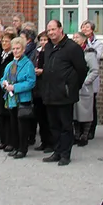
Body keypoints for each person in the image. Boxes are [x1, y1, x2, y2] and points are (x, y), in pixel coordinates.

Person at [40, 20, 87, 166]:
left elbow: (82, 70)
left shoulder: (72, 48)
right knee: (53, 125)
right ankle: (57, 151)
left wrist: (72, 87)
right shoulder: (48, 47)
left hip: (65, 94)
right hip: (50, 93)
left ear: (61, 29)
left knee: (65, 126)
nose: (51, 33)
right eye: (49, 30)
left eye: (54, 29)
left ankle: (65, 155)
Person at [0, 37, 37, 158]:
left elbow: (31, 82)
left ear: (23, 49)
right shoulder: (10, 64)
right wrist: (4, 84)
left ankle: (23, 148)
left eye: (18, 48)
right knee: (13, 124)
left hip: (23, 99)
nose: (15, 51)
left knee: (22, 126)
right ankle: (15, 146)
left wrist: (15, 87)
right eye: (14, 48)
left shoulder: (28, 64)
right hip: (11, 100)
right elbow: (2, 78)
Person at [72, 31, 99, 147]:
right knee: (75, 112)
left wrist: (85, 81)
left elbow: (94, 70)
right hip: (74, 85)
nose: (74, 39)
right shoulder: (72, 52)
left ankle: (85, 135)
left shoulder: (89, 53)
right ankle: (76, 135)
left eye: (77, 37)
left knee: (85, 112)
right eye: (73, 38)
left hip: (85, 87)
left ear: (83, 40)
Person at [80, 20, 103, 140]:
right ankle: (81, 131)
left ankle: (91, 130)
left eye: (87, 27)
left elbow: (96, 56)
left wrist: (88, 45)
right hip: (81, 80)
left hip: (91, 79)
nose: (85, 29)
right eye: (83, 27)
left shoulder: (96, 43)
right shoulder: (80, 43)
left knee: (91, 105)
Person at [0, 32, 14, 151]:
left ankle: (11, 141)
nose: (4, 43)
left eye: (7, 41)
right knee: (1, 116)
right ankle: (3, 140)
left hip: (9, 89)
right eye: (3, 41)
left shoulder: (12, 57)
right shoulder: (0, 56)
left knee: (9, 115)